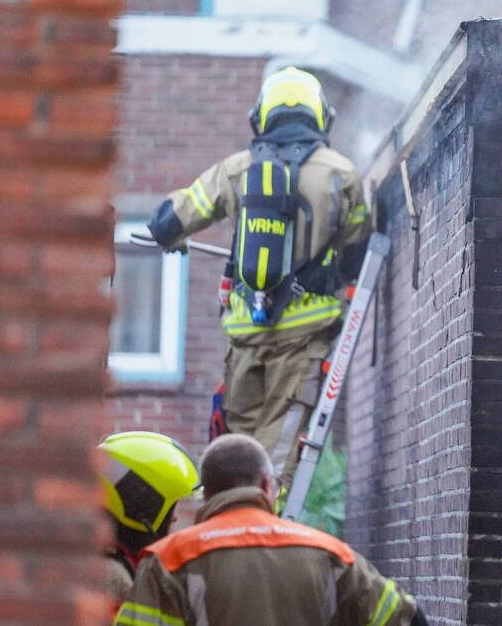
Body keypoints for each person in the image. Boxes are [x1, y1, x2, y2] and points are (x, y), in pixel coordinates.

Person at [146, 67, 372, 488]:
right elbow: (359, 250)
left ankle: (227, 520)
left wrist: (171, 237)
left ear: (261, 116)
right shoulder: (342, 174)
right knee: (276, 452)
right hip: (305, 335)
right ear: (321, 115)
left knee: (238, 446)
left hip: (245, 332)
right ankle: (267, 527)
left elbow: (168, 221)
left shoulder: (234, 170)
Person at [115, 434, 428, 626]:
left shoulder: (168, 562)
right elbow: (407, 618)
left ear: (207, 493)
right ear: (266, 485)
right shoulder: (329, 554)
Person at [98, 431, 200, 613]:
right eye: (171, 509)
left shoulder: (113, 562)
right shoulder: (112, 576)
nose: (175, 517)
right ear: (143, 506)